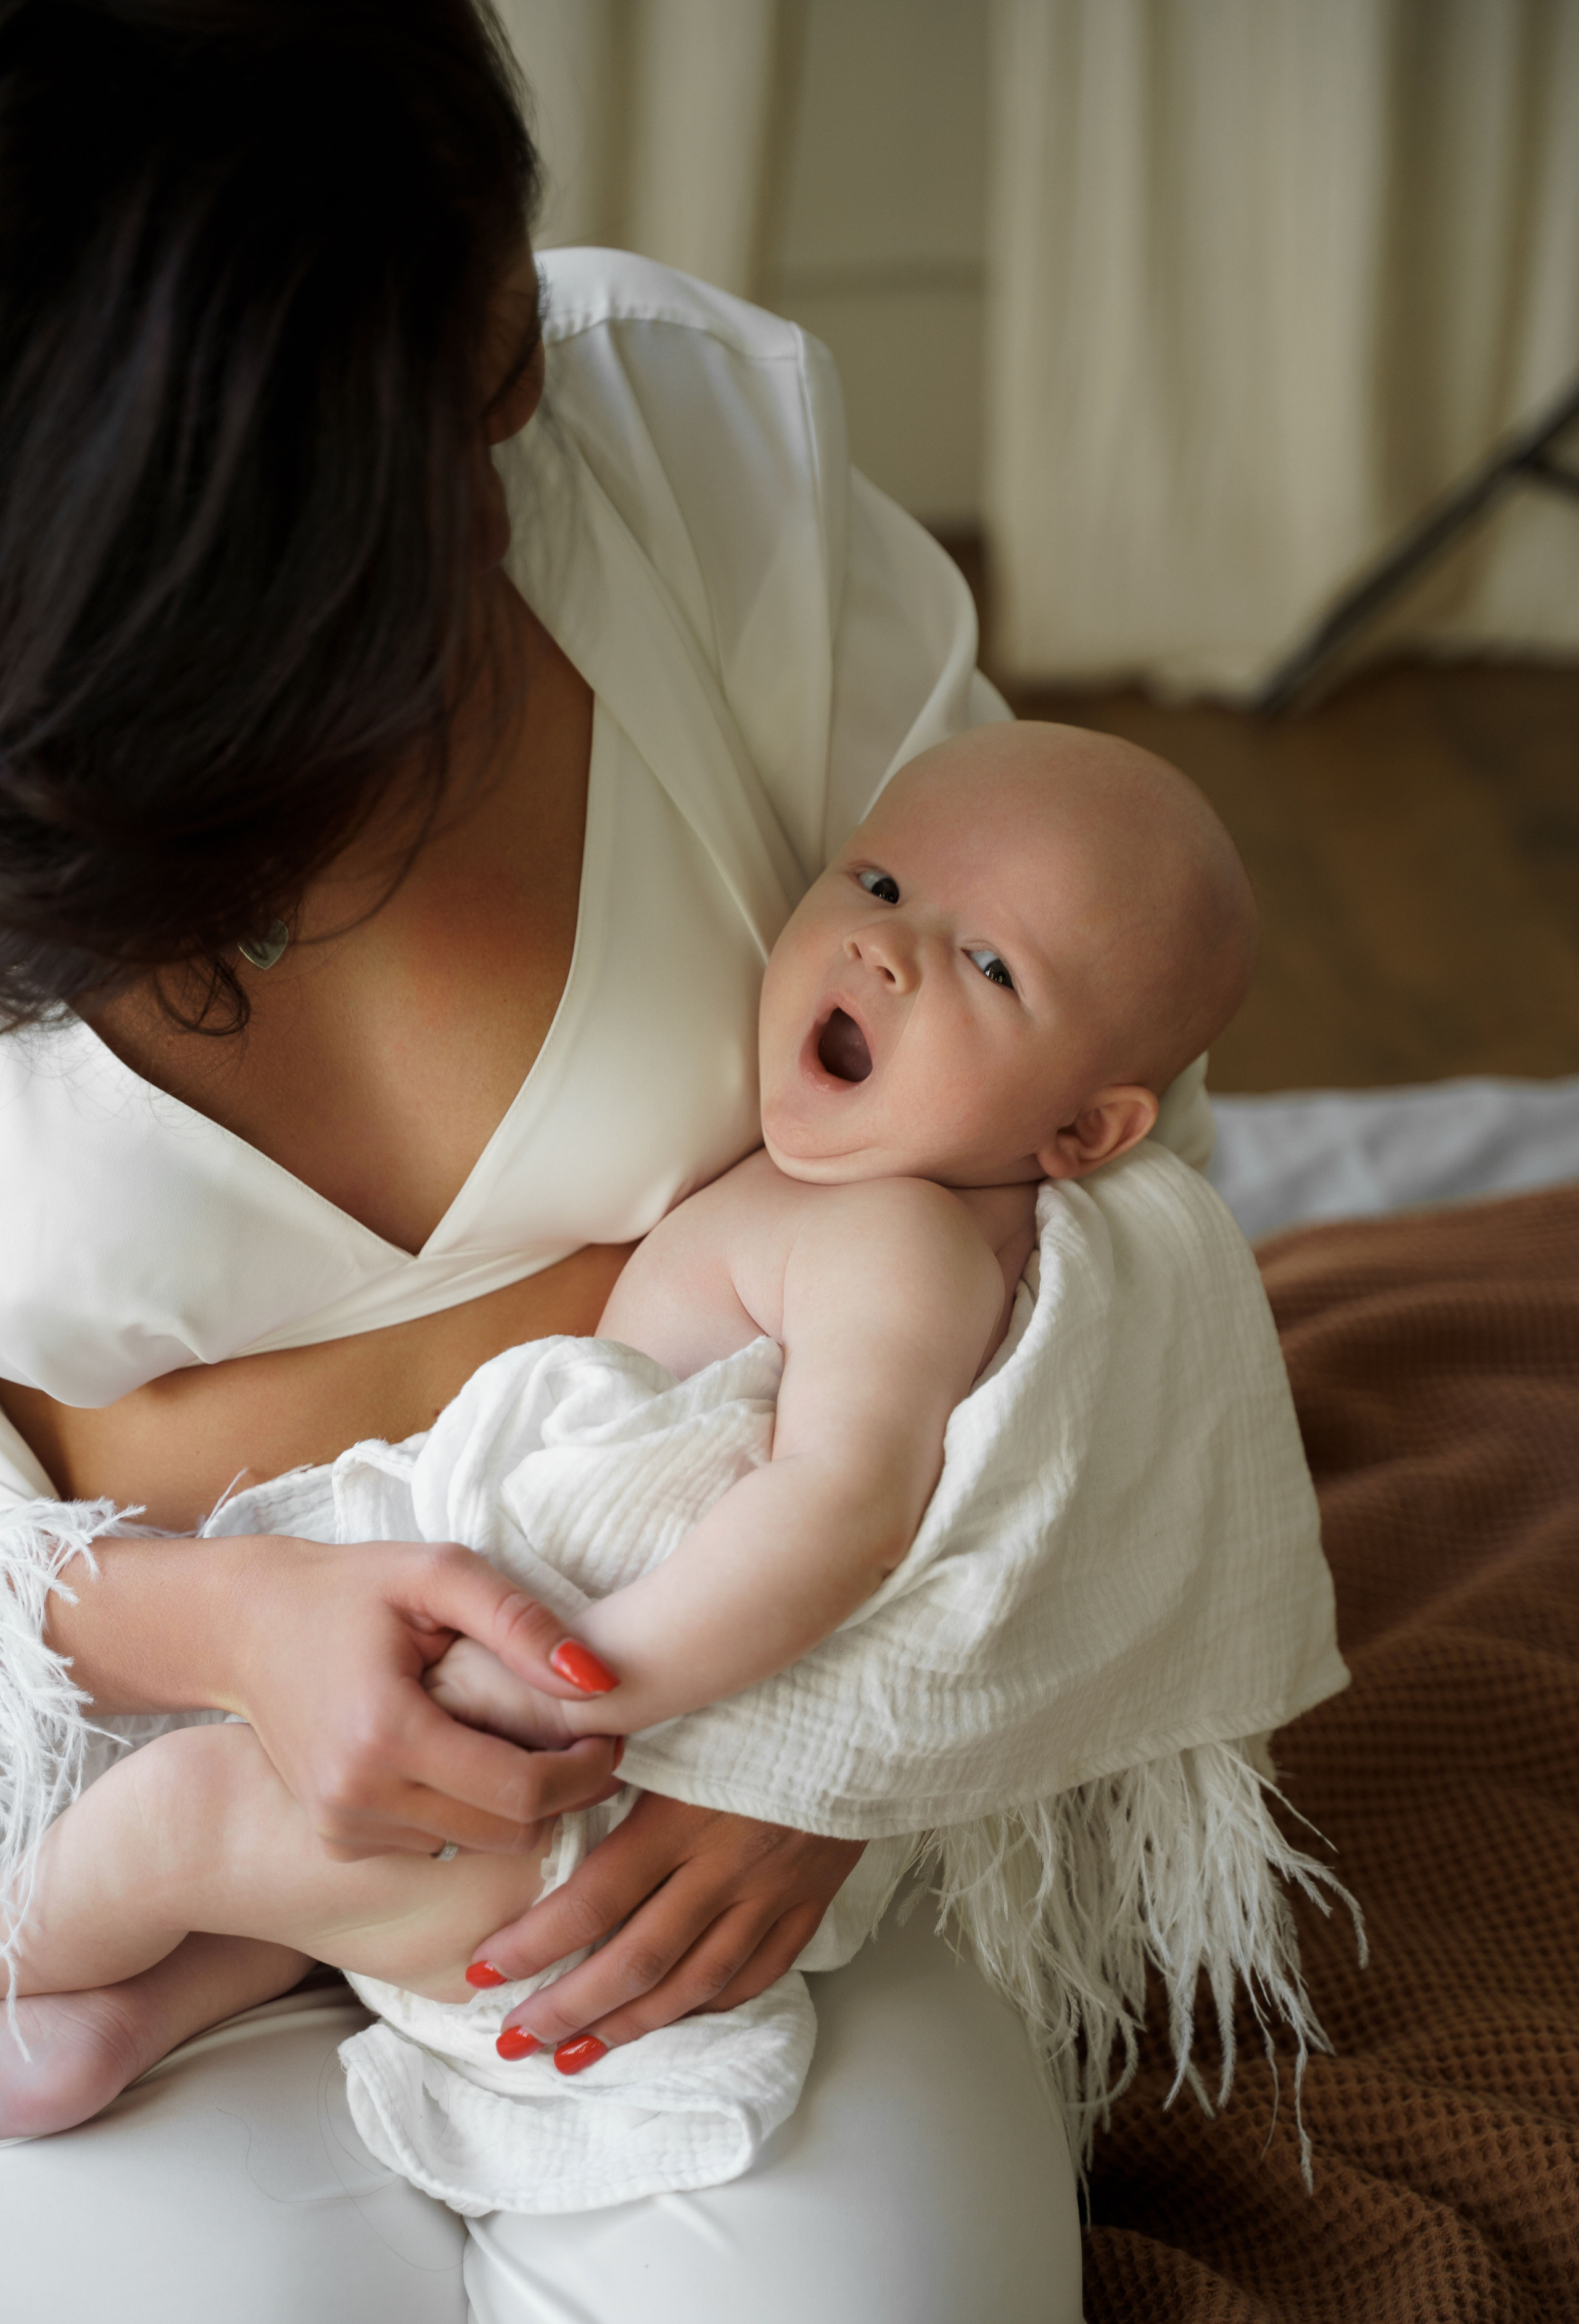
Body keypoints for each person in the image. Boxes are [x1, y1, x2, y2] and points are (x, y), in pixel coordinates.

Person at [0, 4, 1214, 2324]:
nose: (532, 376)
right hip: (88, 1759)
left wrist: (827, 1748)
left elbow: (1109, 1126)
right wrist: (187, 1618)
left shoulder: (681, 462)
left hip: (719, 1771)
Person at [4, 720, 1256, 2126]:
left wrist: (575, 1691)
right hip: (508, 1821)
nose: (886, 950)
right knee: (289, 1889)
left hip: (588, 1782)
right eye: (880, 885)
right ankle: (130, 2015)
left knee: (189, 1822)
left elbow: (840, 1507)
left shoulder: (900, 1243)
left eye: (988, 966)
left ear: (1082, 1137)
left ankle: (28, 1959)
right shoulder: (849, 1188)